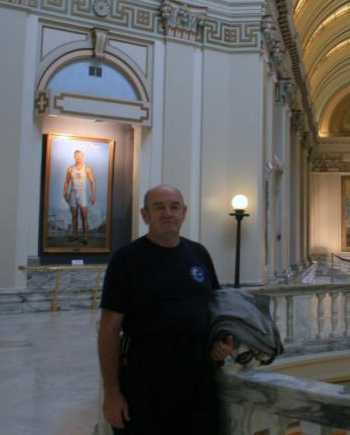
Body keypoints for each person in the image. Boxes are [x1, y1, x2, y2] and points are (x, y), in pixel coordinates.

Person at [98, 185, 234, 434]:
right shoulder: (126, 259)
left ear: (184, 212)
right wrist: (111, 391)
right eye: (158, 207)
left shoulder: (198, 253)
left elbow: (217, 309)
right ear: (145, 215)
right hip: (145, 376)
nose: (168, 213)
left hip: (198, 375)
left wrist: (224, 341)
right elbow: (109, 329)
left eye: (174, 207)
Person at [62, 149, 96, 244]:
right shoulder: (70, 169)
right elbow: (66, 182)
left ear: (83, 156)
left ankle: (85, 238)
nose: (78, 157)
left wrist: (93, 195)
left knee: (84, 216)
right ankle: (75, 236)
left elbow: (92, 182)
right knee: (74, 216)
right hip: (73, 192)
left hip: (82, 193)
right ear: (74, 156)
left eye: (80, 155)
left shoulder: (87, 168)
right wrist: (65, 193)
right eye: (77, 155)